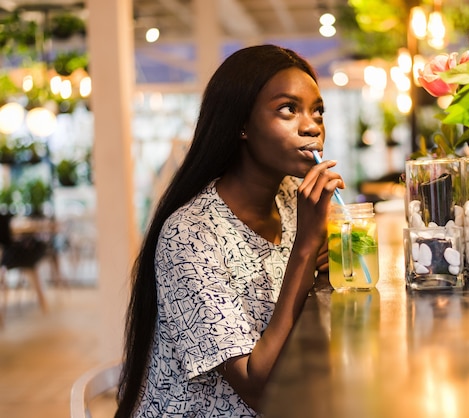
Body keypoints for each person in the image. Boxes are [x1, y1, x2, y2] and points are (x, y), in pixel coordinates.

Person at [114, 44, 344, 417]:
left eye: (317, 110)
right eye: (289, 109)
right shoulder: (189, 235)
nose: (312, 125)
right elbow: (257, 387)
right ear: (241, 125)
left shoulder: (289, 198)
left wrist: (329, 261)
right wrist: (305, 248)